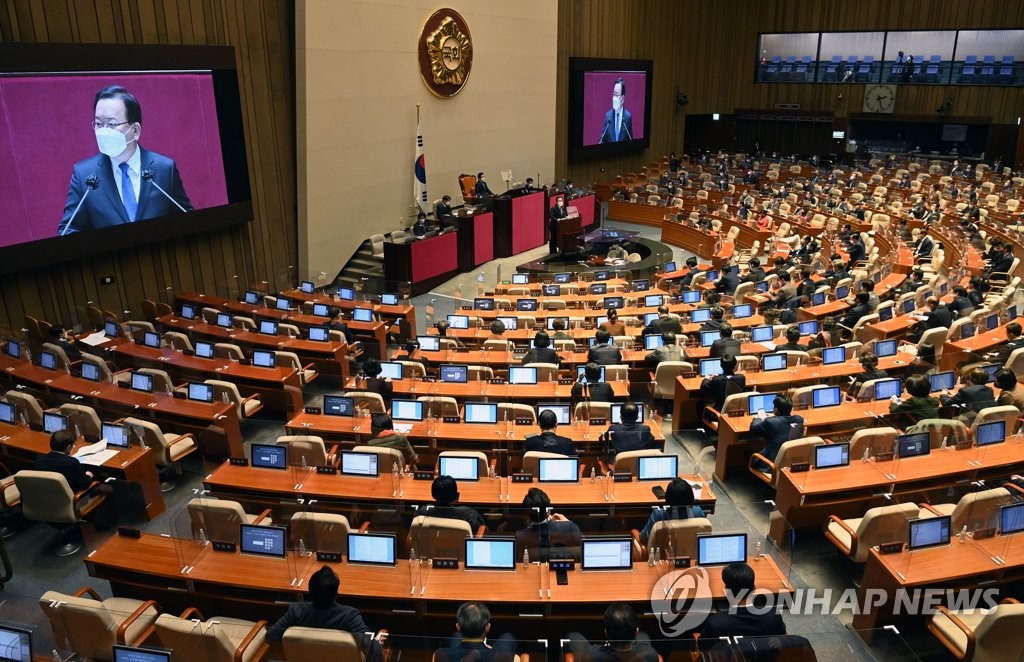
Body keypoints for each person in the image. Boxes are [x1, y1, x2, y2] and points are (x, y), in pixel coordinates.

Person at [59, 85, 192, 235]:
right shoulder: (84, 175)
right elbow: (68, 230)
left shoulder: (165, 169)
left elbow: (187, 221)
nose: (103, 131)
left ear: (135, 130)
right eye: (98, 124)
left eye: (111, 124)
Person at [266, 566, 382, 659]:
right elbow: (373, 649)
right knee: (373, 625)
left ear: (310, 590)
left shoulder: (296, 611)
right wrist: (376, 642)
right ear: (336, 594)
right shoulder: (349, 615)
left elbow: (271, 636)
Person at [699, 563, 786, 643]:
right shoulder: (774, 616)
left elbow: (702, 645)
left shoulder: (715, 623)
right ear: (754, 588)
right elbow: (782, 638)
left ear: (727, 592)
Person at [566, 603, 658, 662]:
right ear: (636, 632)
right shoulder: (651, 655)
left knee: (573, 636)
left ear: (606, 633)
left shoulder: (590, 655)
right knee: (644, 636)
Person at [515, 488, 583, 562]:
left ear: (527, 515)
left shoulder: (520, 536)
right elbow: (587, 546)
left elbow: (519, 561)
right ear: (549, 510)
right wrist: (568, 522)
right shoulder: (569, 527)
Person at [435, 602, 516, 662]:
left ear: (458, 627)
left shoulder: (441, 655)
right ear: (487, 627)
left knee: (456, 636)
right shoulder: (502, 657)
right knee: (508, 637)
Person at [639, 476, 705, 542]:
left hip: (663, 552)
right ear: (690, 496)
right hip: (692, 551)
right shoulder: (698, 512)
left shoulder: (658, 515)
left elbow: (644, 537)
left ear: (668, 498)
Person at [749, 394, 804, 470]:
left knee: (747, 453)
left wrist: (757, 418)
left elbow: (754, 429)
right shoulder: (799, 420)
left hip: (770, 465)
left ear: (776, 410)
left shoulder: (771, 422)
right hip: (790, 462)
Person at [417, 475, 485, 530]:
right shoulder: (469, 514)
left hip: (430, 547)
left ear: (433, 494)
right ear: (456, 496)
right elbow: (483, 530)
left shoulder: (422, 513)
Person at [598, 77, 633, 144]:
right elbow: (601, 140)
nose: (614, 98)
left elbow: (630, 139)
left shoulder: (628, 117)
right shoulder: (608, 116)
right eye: (614, 94)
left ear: (622, 99)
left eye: (617, 95)